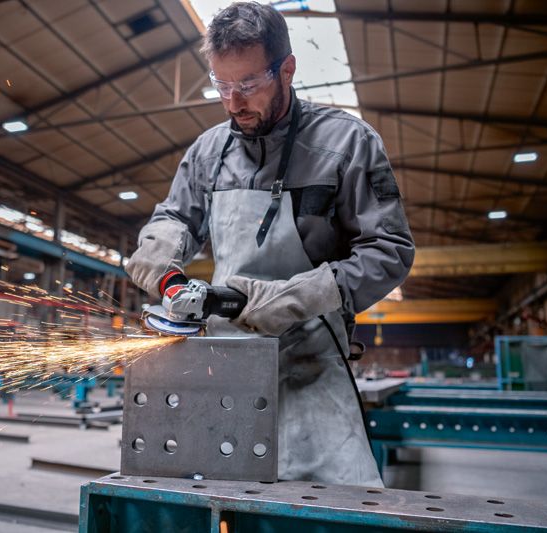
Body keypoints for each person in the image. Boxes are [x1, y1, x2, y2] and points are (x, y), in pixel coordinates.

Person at [126, 1, 414, 487]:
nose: (233, 101)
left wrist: (291, 298)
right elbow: (174, 216)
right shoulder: (208, 152)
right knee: (216, 496)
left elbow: (389, 249)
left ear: (287, 69)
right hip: (225, 365)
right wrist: (167, 272)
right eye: (221, 85)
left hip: (313, 363)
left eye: (248, 85)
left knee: (327, 507)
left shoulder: (346, 143)